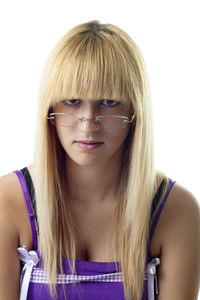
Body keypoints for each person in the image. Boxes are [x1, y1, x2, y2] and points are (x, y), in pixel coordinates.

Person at [0, 20, 199, 300]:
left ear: (134, 111)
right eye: (71, 100)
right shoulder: (9, 201)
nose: (88, 123)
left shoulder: (175, 209)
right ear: (50, 108)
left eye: (108, 101)